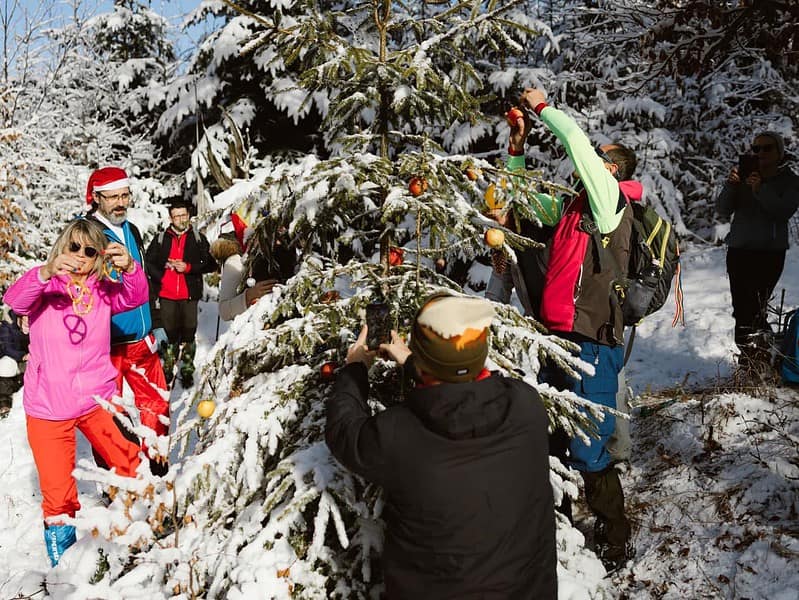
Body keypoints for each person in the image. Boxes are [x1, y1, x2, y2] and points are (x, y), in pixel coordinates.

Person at [326, 293, 557, 599]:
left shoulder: (399, 433)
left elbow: (346, 434)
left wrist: (355, 369)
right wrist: (412, 362)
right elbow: (462, 395)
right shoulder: (526, 405)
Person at [495, 87, 636, 571]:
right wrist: (516, 147)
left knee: (590, 445)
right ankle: (557, 526)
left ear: (614, 170)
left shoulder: (609, 204)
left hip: (593, 341)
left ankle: (616, 536)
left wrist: (542, 107)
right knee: (553, 432)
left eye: (602, 159)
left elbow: (575, 139)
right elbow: (518, 201)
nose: (592, 160)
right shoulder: (573, 210)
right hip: (558, 337)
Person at [2, 218, 144, 567]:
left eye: (89, 250)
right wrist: (46, 271)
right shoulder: (45, 286)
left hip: (96, 400)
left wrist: (130, 267)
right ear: (62, 248)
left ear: (97, 257)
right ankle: (66, 571)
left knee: (130, 462)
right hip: (49, 407)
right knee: (58, 495)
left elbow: (135, 295)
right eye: (74, 247)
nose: (80, 256)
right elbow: (15, 301)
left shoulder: (102, 289)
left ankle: (136, 534)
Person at [86, 166, 169, 475]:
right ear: (96, 198)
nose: (120, 203)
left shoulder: (132, 230)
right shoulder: (85, 233)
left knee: (157, 403)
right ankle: (118, 478)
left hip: (140, 338)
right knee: (110, 415)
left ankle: (158, 470)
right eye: (112, 197)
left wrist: (156, 319)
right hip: (104, 344)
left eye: (125, 195)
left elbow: (144, 279)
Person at [715, 131, 799, 370]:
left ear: (779, 152)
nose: (760, 153)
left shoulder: (790, 181)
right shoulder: (744, 176)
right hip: (739, 250)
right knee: (741, 308)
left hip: (769, 254)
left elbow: (783, 210)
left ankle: (761, 358)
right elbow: (722, 209)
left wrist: (760, 189)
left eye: (767, 148)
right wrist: (731, 186)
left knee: (754, 308)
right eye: (756, 148)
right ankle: (754, 361)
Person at [145, 201, 216, 387]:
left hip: (189, 294)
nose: (180, 220)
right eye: (176, 216)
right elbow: (148, 262)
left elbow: (210, 263)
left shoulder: (198, 238)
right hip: (167, 294)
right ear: (171, 218)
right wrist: (162, 276)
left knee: (188, 333)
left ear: (189, 215)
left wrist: (189, 267)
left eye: (183, 215)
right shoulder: (161, 238)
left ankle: (186, 370)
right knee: (169, 334)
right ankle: (168, 368)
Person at [209, 215, 296, 321]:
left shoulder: (290, 248)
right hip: (253, 329)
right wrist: (249, 296)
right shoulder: (236, 260)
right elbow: (224, 311)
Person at [0, 309, 29, 416]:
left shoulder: (38, 322)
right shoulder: (8, 324)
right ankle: (4, 402)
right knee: (6, 365)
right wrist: (23, 356)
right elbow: (6, 347)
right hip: (13, 358)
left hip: (31, 359)